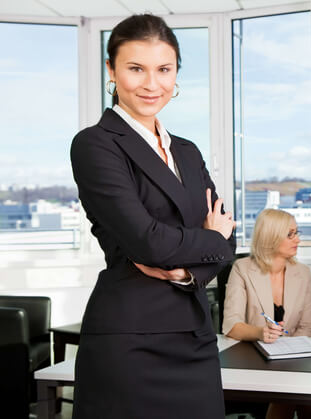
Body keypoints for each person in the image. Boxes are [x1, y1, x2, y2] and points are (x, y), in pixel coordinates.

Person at [70, 14, 235, 419]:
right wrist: (209, 240)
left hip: (194, 338)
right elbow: (147, 241)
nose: (151, 84)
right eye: (135, 69)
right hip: (130, 341)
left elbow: (228, 240)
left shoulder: (188, 151)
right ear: (111, 71)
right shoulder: (96, 145)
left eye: (164, 70)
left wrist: (185, 272)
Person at [223, 208, 311, 419]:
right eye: (290, 234)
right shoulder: (242, 269)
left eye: (297, 232)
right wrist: (260, 332)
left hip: (293, 360)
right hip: (253, 359)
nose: (298, 240)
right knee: (291, 395)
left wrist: (288, 350)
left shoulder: (303, 273)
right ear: (271, 237)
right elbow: (231, 325)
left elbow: (308, 328)